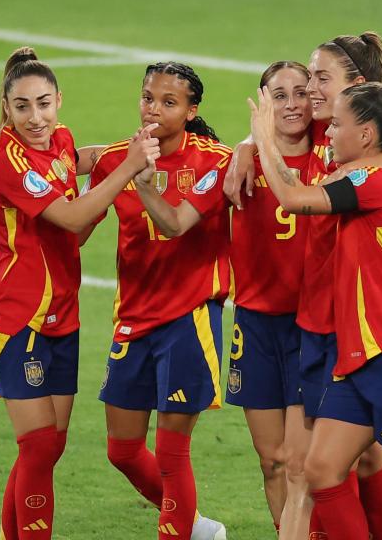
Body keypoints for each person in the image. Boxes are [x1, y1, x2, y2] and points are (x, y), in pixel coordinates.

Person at [249, 79, 382, 540]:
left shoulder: (372, 181)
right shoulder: (379, 180)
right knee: (322, 469)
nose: (328, 134)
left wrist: (262, 134)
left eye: (337, 125)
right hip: (363, 357)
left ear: (365, 135)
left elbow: (295, 199)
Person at [0, 47, 159, 539]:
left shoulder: (59, 141)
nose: (35, 117)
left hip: (62, 316)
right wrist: (127, 169)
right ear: (7, 109)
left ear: (59, 100)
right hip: (17, 319)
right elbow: (75, 218)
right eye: (22, 106)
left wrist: (138, 143)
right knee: (37, 446)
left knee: (49, 447)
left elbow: (79, 166)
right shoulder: (6, 161)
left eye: (43, 103)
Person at [133, 60, 314, 538]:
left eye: (301, 93)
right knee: (272, 461)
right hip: (254, 325)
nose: (291, 104)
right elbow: (177, 221)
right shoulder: (237, 161)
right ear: (262, 102)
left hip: (311, 326)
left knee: (303, 464)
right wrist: (249, 145)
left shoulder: (327, 158)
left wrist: (255, 143)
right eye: (279, 94)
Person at [81, 62, 229, 540]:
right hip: (134, 319)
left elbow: (174, 225)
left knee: (171, 452)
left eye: (169, 102)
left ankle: (180, 531)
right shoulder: (117, 160)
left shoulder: (215, 160)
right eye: (148, 98)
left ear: (191, 111)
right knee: (122, 451)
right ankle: (197, 527)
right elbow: (77, 229)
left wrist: (142, 183)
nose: (154, 109)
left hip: (188, 318)